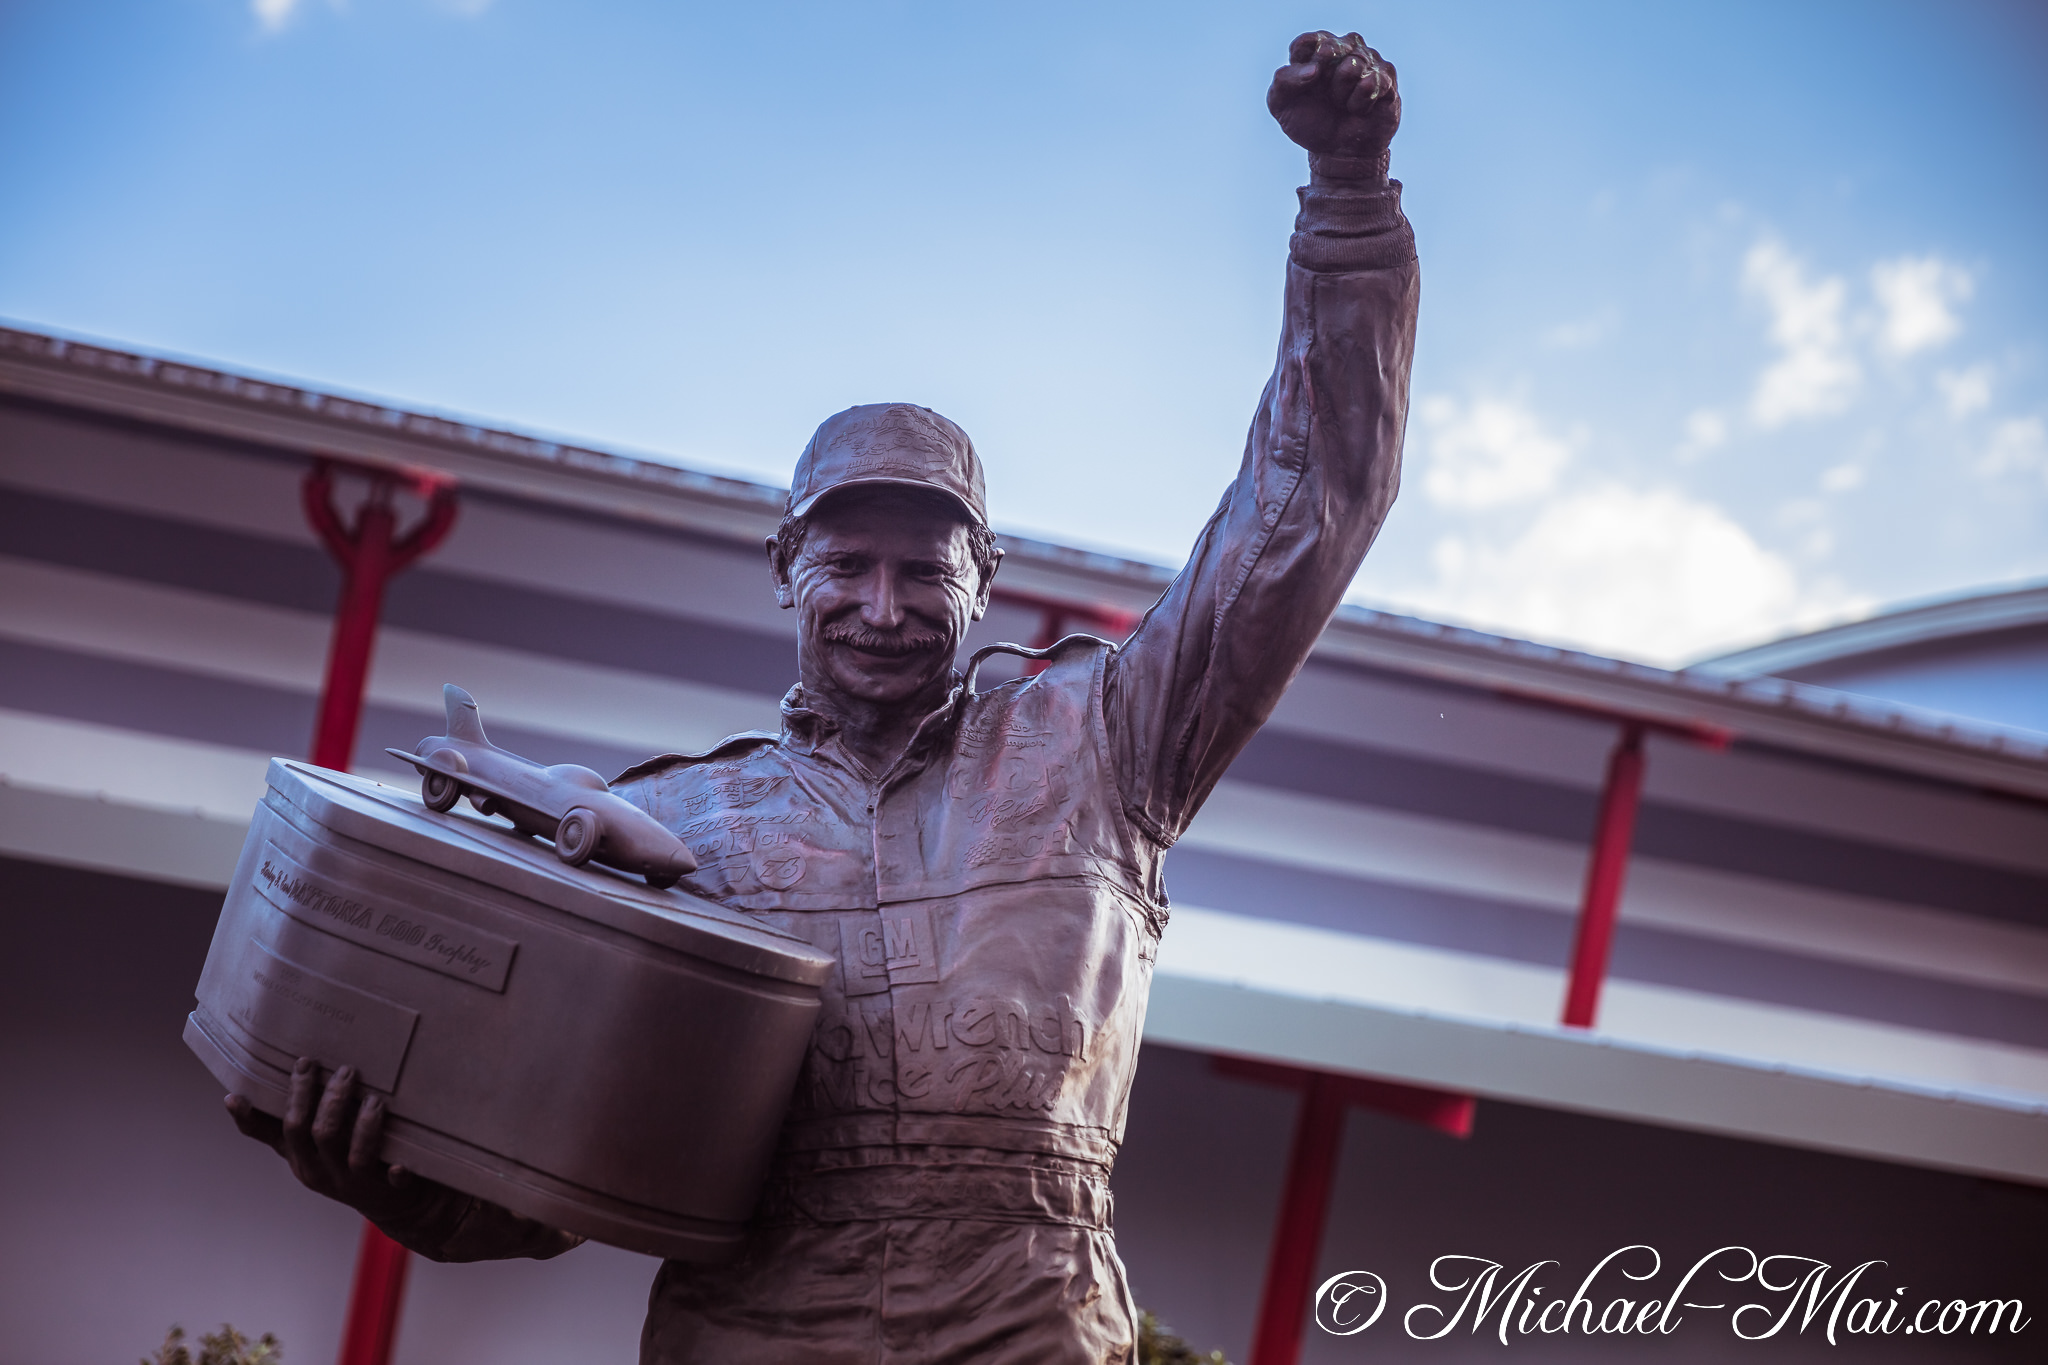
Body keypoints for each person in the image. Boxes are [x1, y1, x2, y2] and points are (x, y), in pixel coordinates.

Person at [228, 29, 1418, 1364]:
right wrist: (383, 1170)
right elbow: (555, 1169)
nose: (884, 603)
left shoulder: (1104, 745)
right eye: (846, 563)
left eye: (927, 567)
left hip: (1028, 1332)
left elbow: (1303, 511)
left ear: (988, 581)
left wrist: (1349, 199)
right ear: (786, 569)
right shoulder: (663, 824)